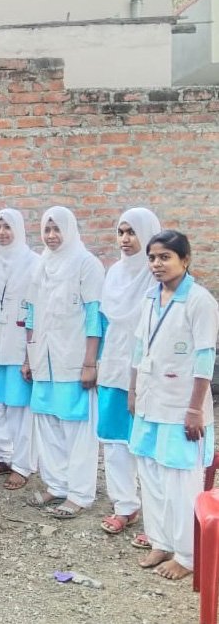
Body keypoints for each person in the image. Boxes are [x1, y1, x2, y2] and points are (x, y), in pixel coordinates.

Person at [131, 230, 218, 581]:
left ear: (185, 260)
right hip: (149, 401)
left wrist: (195, 409)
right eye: (152, 257)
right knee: (150, 474)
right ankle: (161, 541)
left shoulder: (200, 301)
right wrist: (133, 390)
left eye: (165, 257)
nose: (157, 263)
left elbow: (204, 359)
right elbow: (139, 348)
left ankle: (188, 555)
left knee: (180, 480)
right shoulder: (150, 298)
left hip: (181, 406)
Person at [24, 206, 104, 518]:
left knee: (77, 428)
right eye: (47, 229)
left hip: (73, 358)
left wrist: (90, 363)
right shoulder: (41, 264)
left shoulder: (86, 263)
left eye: (57, 229)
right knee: (48, 423)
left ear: (69, 230)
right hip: (43, 359)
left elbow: (95, 316)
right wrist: (29, 357)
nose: (51, 235)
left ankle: (79, 494)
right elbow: (31, 313)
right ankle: (56, 485)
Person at [97, 208, 161, 535]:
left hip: (148, 368)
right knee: (114, 440)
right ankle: (125, 506)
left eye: (132, 232)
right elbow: (105, 320)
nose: (125, 239)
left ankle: (158, 519)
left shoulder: (156, 275)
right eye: (121, 232)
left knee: (147, 443)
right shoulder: (113, 274)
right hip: (113, 364)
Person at [0, 208, 40, 490]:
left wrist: (31, 356)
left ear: (19, 229)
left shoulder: (34, 263)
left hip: (19, 346)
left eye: (7, 227)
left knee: (19, 409)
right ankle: (4, 456)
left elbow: (37, 309)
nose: (2, 233)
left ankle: (22, 464)